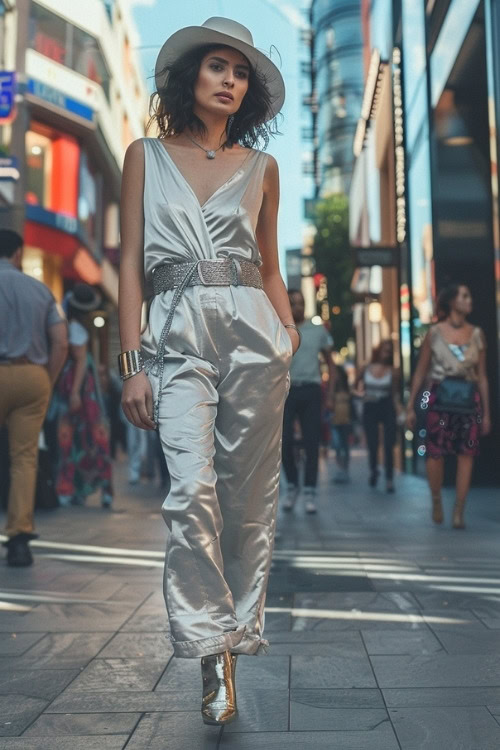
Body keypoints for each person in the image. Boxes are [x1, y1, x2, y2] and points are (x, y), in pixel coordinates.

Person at [118, 17, 297, 726]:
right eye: (217, 66)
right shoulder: (144, 154)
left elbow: (273, 266)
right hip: (174, 337)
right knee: (191, 491)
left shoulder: (263, 169)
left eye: (241, 72)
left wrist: (289, 336)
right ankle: (208, 644)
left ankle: (228, 647)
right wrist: (131, 363)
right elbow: (130, 262)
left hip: (255, 333)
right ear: (189, 76)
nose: (229, 79)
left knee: (248, 500)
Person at [0, 229, 68, 566]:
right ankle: (18, 539)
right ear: (17, 254)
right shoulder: (40, 291)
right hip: (30, 376)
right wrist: (48, 378)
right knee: (24, 458)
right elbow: (61, 341)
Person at [406, 283, 490, 529]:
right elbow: (420, 371)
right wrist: (411, 405)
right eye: (464, 296)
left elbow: (482, 375)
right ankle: (436, 500)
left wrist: (487, 413)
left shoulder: (477, 334)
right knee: (435, 451)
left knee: (467, 453)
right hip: (439, 396)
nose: (469, 300)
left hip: (468, 397)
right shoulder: (434, 333)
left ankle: (459, 511)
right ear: (452, 302)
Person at [49, 283, 113, 508]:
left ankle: (71, 488)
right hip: (85, 392)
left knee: (70, 437)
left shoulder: (72, 327)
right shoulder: (79, 328)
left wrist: (75, 392)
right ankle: (102, 488)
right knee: (94, 437)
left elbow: (80, 362)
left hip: (75, 391)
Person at [282, 289, 334, 513]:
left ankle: (310, 490)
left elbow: (331, 363)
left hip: (312, 390)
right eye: (292, 303)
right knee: (284, 442)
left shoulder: (316, 329)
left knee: (312, 442)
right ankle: (292, 485)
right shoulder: (279, 328)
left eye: (301, 303)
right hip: (286, 391)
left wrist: (330, 395)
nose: (298, 307)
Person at [355, 340, 399, 493]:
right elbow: (355, 387)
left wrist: (398, 410)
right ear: (378, 351)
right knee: (373, 443)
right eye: (384, 350)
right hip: (370, 406)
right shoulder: (366, 368)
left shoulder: (393, 371)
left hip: (386, 406)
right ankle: (374, 471)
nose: (386, 354)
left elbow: (394, 393)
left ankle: (389, 479)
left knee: (389, 444)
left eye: (389, 351)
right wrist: (362, 395)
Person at [331, 364, 352, 483]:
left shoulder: (347, 389)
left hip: (345, 420)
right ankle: (340, 469)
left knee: (344, 446)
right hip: (335, 421)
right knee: (338, 446)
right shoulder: (332, 390)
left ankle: (345, 470)